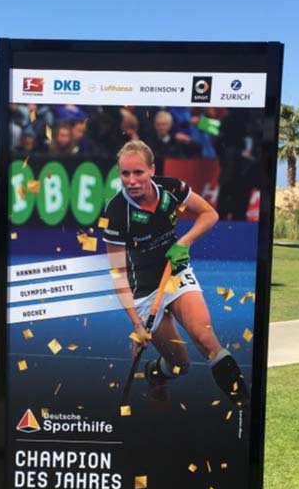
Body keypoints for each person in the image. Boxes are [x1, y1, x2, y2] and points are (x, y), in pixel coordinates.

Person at [103, 139, 249, 406]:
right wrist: (137, 326)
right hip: (144, 290)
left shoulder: (172, 188)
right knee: (181, 365)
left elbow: (209, 214)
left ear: (151, 170)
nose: (131, 180)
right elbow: (118, 273)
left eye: (138, 172)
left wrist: (184, 242)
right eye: (125, 173)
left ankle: (243, 406)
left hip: (175, 272)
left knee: (206, 339)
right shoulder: (116, 212)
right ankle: (155, 374)